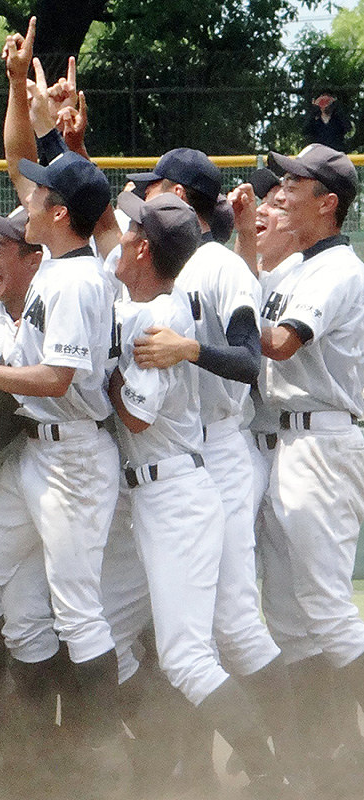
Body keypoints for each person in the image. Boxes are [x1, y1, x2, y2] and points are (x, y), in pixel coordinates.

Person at [128, 148, 306, 790]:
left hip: (220, 451)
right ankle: (211, 765)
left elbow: (249, 360)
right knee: (196, 629)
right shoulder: (175, 265)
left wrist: (189, 348)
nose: (143, 198)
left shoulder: (220, 265)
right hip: (181, 452)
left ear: (177, 193)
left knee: (231, 623)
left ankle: (289, 760)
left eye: (152, 189)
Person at [0, 149, 121, 749]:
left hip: (73, 459)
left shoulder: (74, 279)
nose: (29, 195)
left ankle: (89, 761)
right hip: (33, 455)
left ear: (61, 211)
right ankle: (10, 736)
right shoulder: (57, 272)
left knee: (77, 610)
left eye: (40, 192)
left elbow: (56, 379)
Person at [259, 143, 364, 795]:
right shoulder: (298, 266)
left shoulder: (335, 271)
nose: (282, 189)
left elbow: (278, 342)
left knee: (325, 608)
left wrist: (211, 330)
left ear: (326, 203)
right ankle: (323, 760)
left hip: (322, 444)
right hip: (286, 444)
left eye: (294, 183)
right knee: (289, 618)